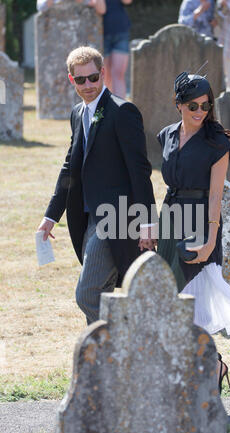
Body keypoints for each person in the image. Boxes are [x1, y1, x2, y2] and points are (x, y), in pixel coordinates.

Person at [156, 71, 230, 392]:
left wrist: (209, 239)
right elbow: (167, 185)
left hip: (200, 223)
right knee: (167, 302)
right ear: (178, 105)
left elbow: (216, 195)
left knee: (189, 305)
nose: (200, 112)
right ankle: (202, 368)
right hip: (169, 221)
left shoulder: (217, 142)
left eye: (205, 105)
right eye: (192, 106)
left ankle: (210, 366)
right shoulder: (166, 136)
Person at [37, 46, 157, 325]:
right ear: (71, 80)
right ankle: (108, 360)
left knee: (88, 294)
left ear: (103, 73)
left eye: (93, 77)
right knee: (100, 292)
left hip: (118, 218)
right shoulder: (78, 114)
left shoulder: (122, 111)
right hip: (89, 217)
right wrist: (50, 216)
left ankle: (128, 339)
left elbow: (140, 171)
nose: (88, 85)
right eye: (81, 80)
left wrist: (148, 222)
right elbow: (71, 167)